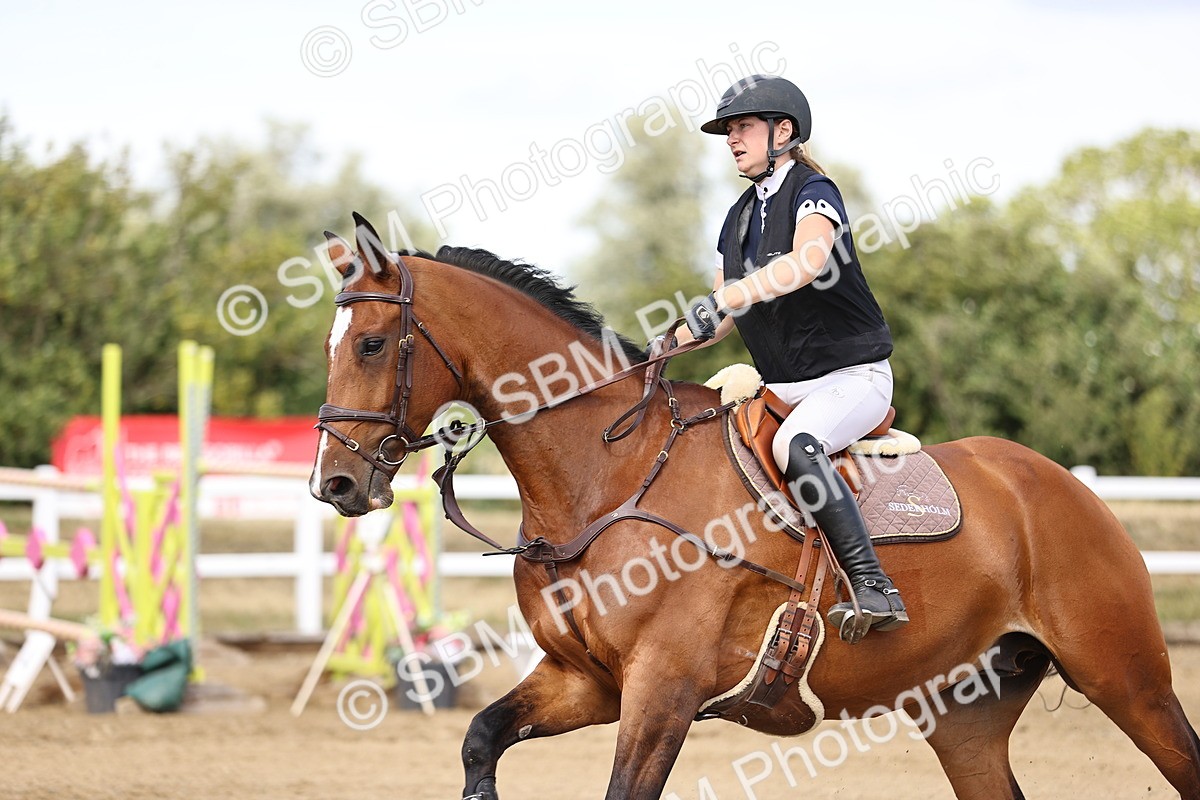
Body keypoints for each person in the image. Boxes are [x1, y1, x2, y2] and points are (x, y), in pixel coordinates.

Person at [678, 74, 907, 643]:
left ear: (784, 131)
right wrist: (660, 347)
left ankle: (874, 585)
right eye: (728, 131)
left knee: (793, 446)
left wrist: (727, 295)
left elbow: (806, 261)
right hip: (787, 385)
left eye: (744, 128)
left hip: (852, 377)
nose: (733, 140)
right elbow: (724, 316)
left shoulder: (814, 191)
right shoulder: (735, 218)